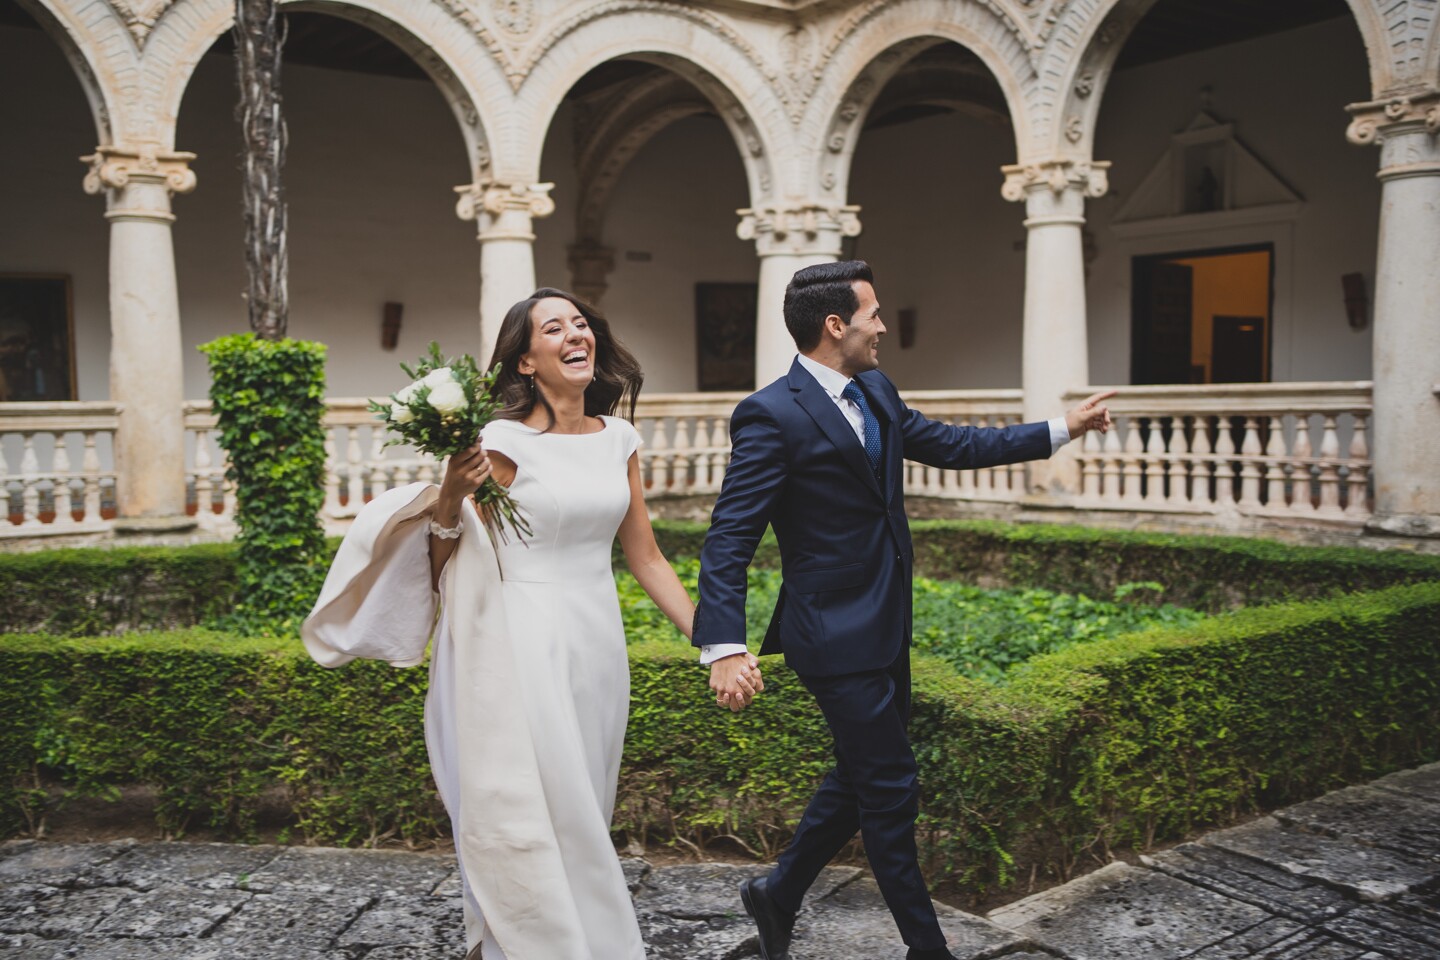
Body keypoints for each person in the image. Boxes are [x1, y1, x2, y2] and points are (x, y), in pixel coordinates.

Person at [304, 287, 762, 960]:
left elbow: (647, 558)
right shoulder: (499, 444)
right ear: (525, 361)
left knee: (586, 802)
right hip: (515, 641)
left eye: (580, 323)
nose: (575, 334)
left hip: (595, 640)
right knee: (527, 804)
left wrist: (719, 645)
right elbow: (446, 560)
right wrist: (451, 496)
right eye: (554, 328)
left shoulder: (619, 440)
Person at [692, 261, 1113, 960]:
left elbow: (955, 444)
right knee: (891, 786)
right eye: (873, 315)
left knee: (859, 777)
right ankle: (928, 948)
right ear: (836, 326)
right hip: (830, 636)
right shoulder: (770, 413)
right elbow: (730, 536)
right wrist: (724, 646)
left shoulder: (877, 390)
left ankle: (778, 893)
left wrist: (1061, 428)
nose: (883, 327)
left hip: (887, 626)